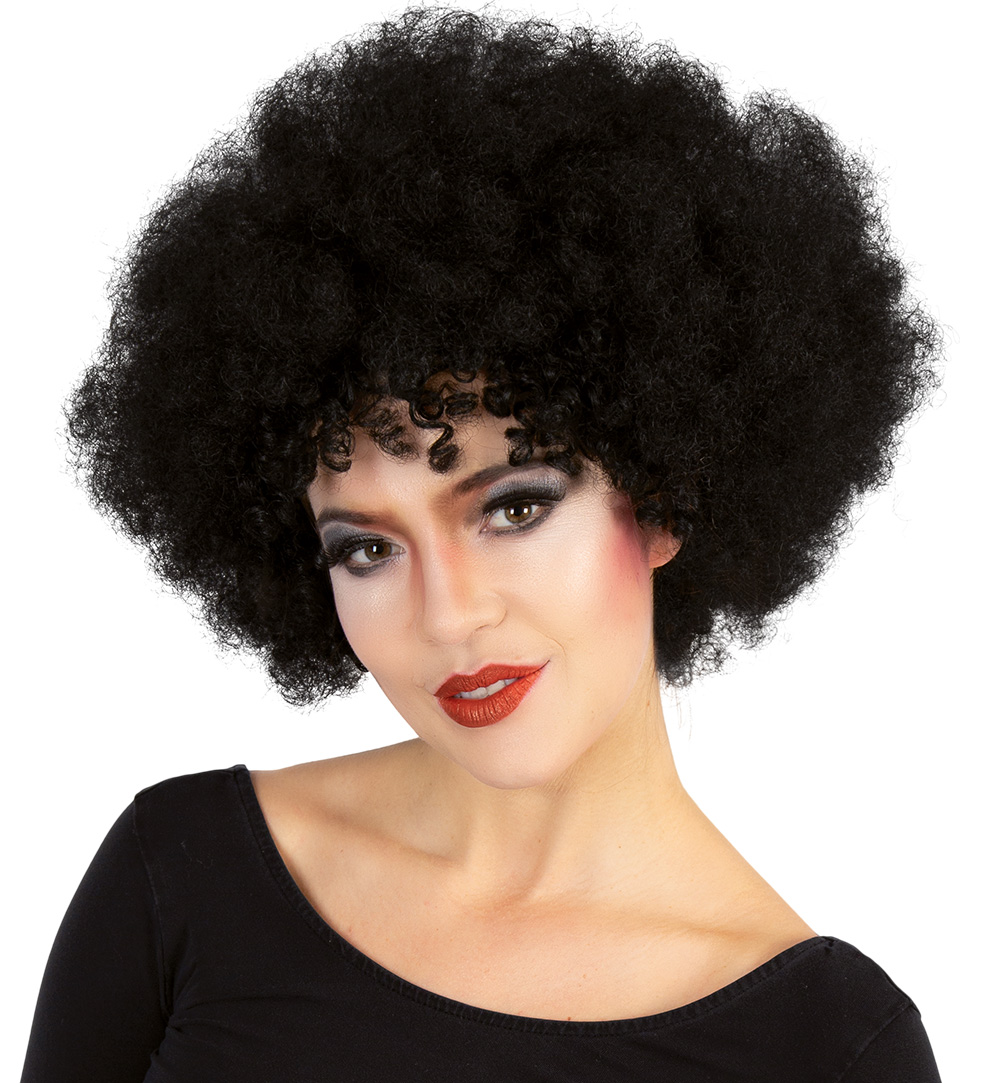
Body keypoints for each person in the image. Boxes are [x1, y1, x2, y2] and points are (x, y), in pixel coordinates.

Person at [21, 8, 942, 1080]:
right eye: (366, 550)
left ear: (662, 496)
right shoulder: (181, 879)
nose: (449, 613)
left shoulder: (827, 1048)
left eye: (512, 509)